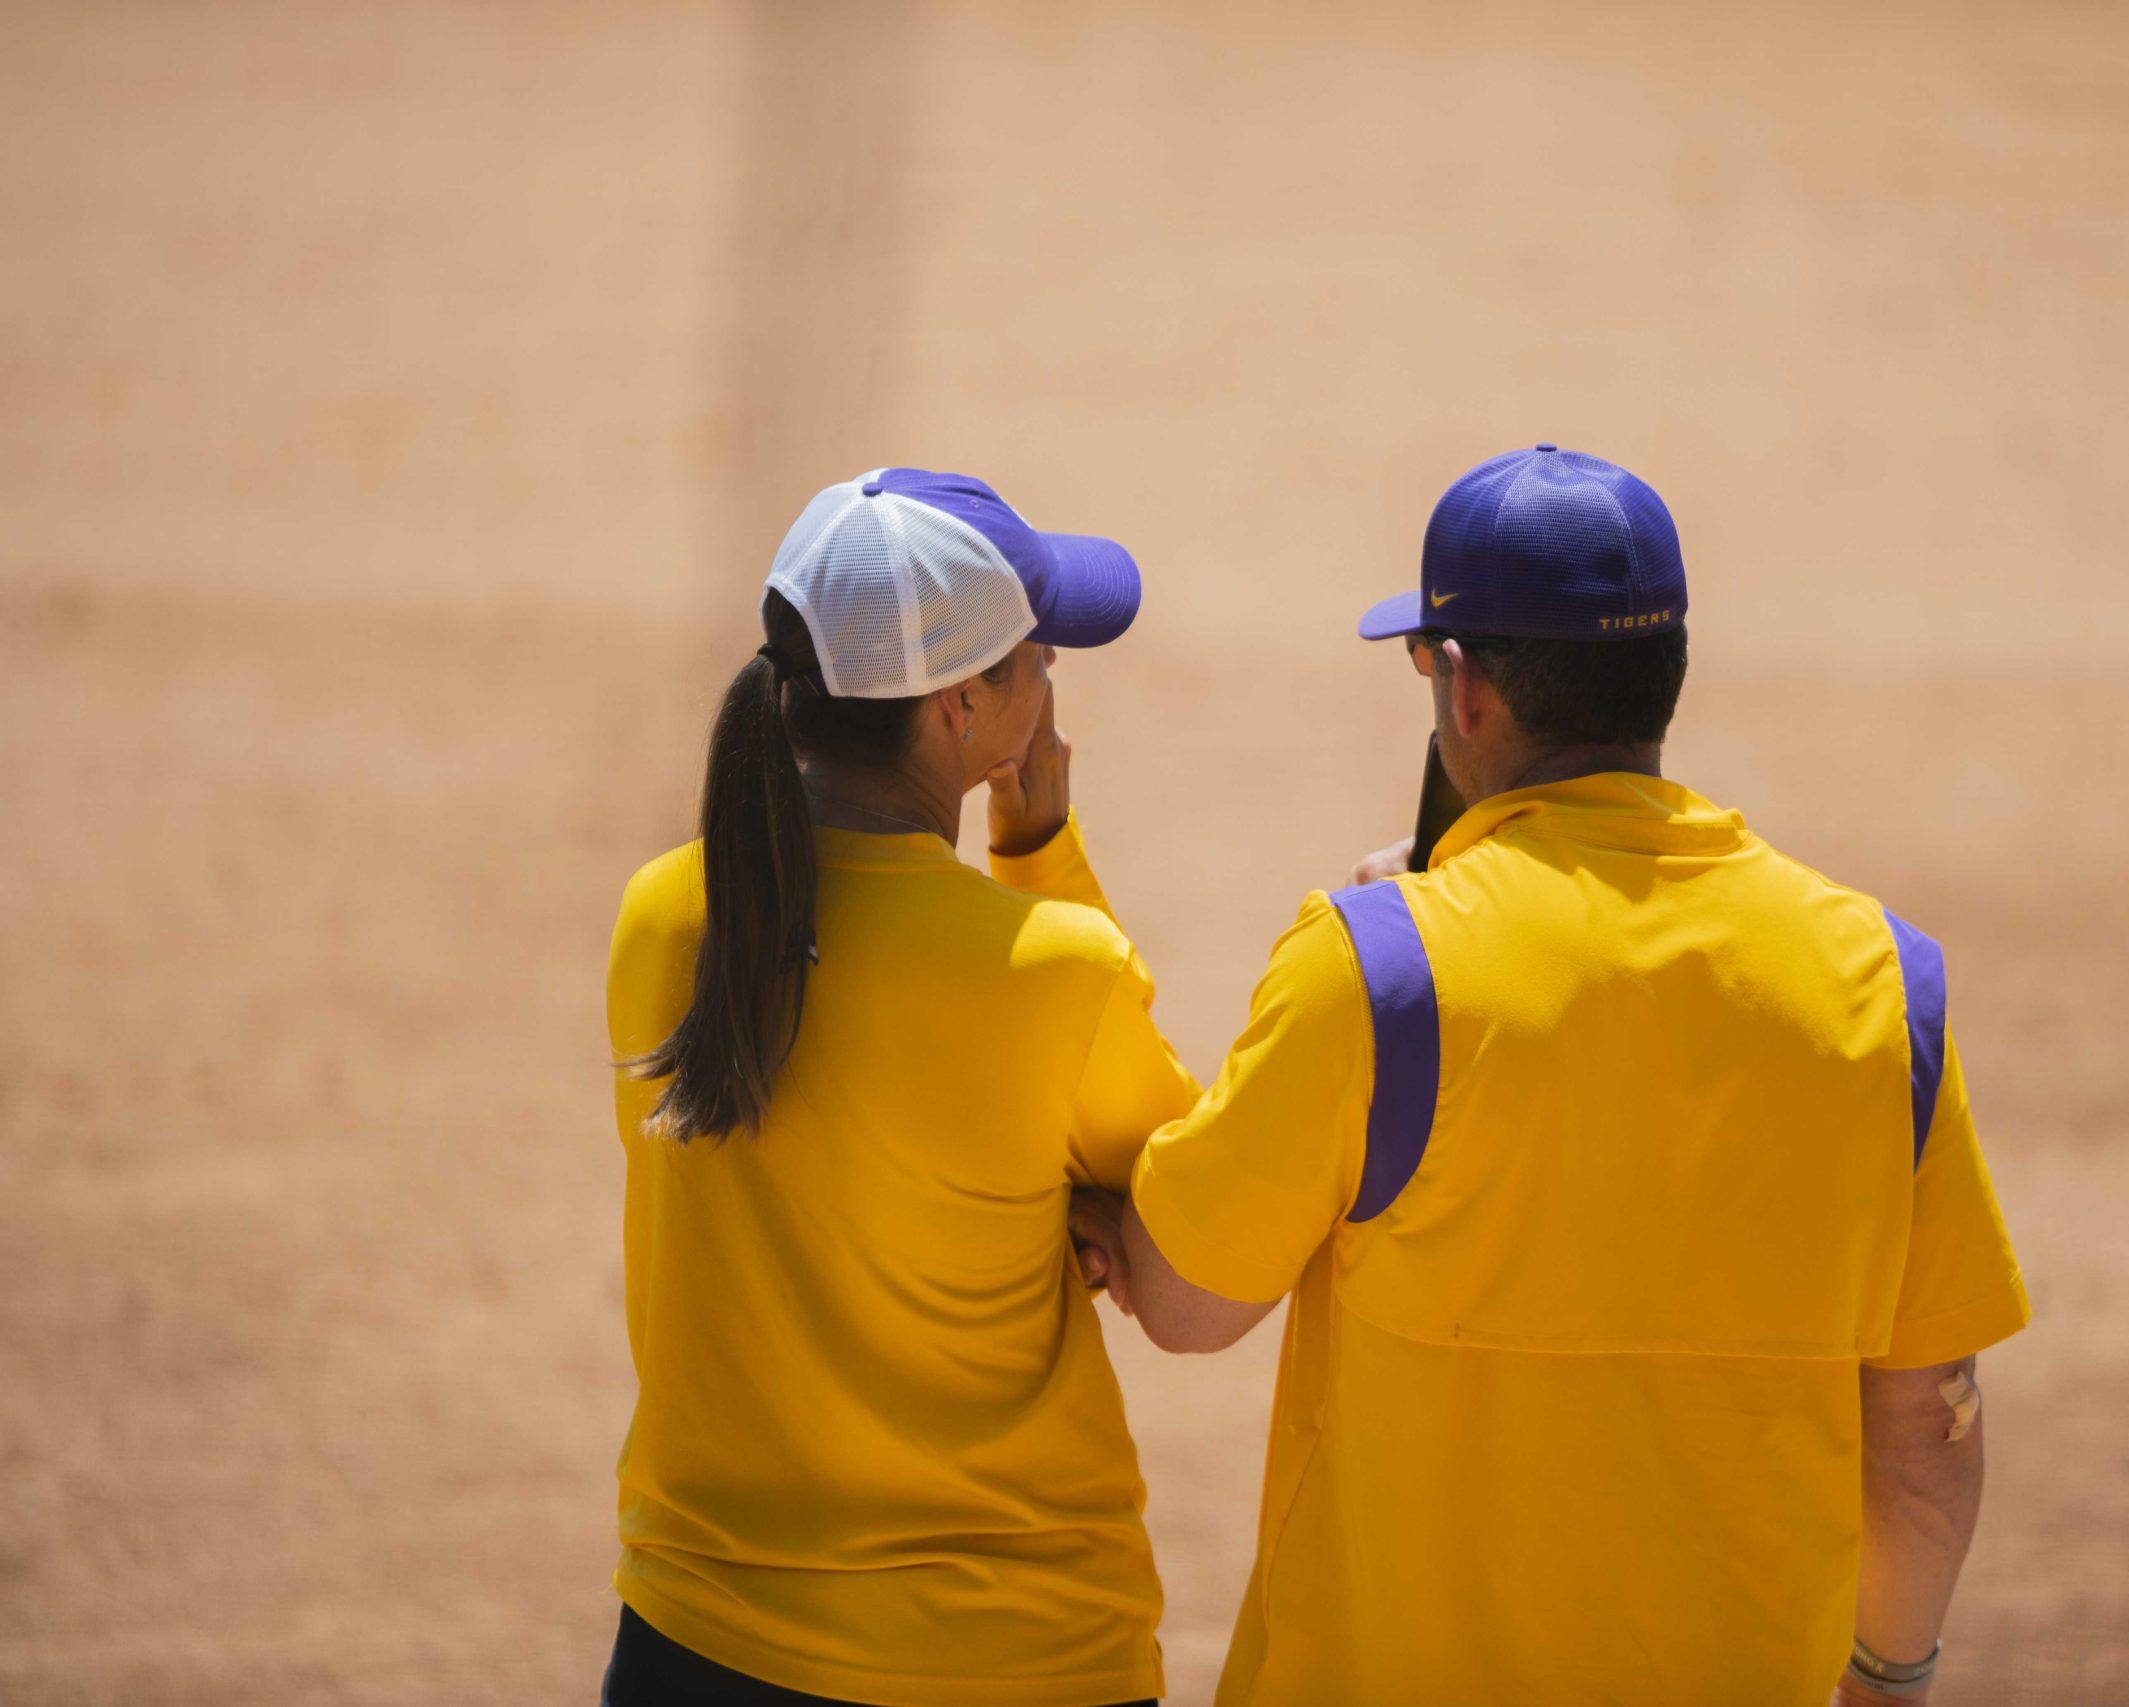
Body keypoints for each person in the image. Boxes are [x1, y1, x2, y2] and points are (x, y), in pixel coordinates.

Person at [1076, 445, 2031, 1706]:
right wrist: (1886, 1678)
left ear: (1464, 690)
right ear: (1665, 676)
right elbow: (1924, 1435)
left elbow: (1187, 1302)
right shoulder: (1881, 982)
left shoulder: (1378, 973)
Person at [602, 470, 1195, 1706]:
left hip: (698, 1643)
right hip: (1007, 1657)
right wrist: (1042, 857)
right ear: (964, 707)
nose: (1052, 680)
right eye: (1037, 655)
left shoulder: (663, 918)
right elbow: (1179, 1196)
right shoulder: (1050, 970)